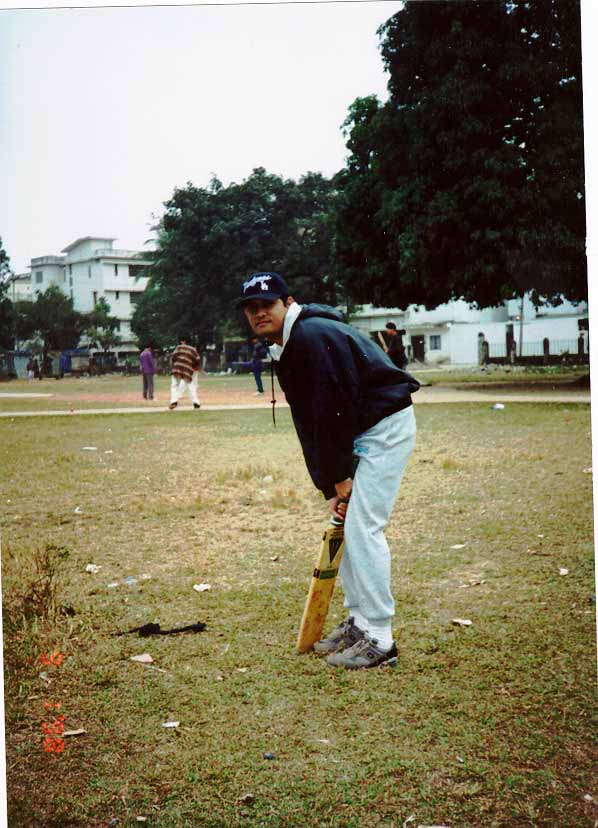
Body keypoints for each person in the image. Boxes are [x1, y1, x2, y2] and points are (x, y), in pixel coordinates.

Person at [239, 271, 420, 670]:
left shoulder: (309, 338)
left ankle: (380, 638)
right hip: (363, 429)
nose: (258, 314)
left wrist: (340, 477)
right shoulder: (292, 340)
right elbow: (314, 423)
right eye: (251, 309)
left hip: (383, 428)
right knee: (348, 522)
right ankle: (359, 623)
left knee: (363, 526)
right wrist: (333, 487)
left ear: (287, 302)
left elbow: (329, 415)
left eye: (266, 305)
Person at [169, 335, 201, 410]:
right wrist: (191, 366)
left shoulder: (179, 347)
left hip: (177, 368)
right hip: (187, 370)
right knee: (191, 386)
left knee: (174, 385)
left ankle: (174, 401)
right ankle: (196, 403)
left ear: (183, 341)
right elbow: (197, 359)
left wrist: (175, 364)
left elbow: (173, 357)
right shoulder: (193, 349)